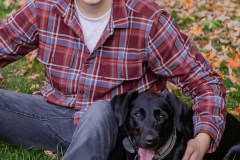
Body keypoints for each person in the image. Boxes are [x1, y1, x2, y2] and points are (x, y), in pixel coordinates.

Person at [0, 0, 226, 159]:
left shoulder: (148, 20)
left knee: (99, 110)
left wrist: (203, 136)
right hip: (55, 117)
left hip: (119, 132)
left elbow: (206, 82)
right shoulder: (44, 7)